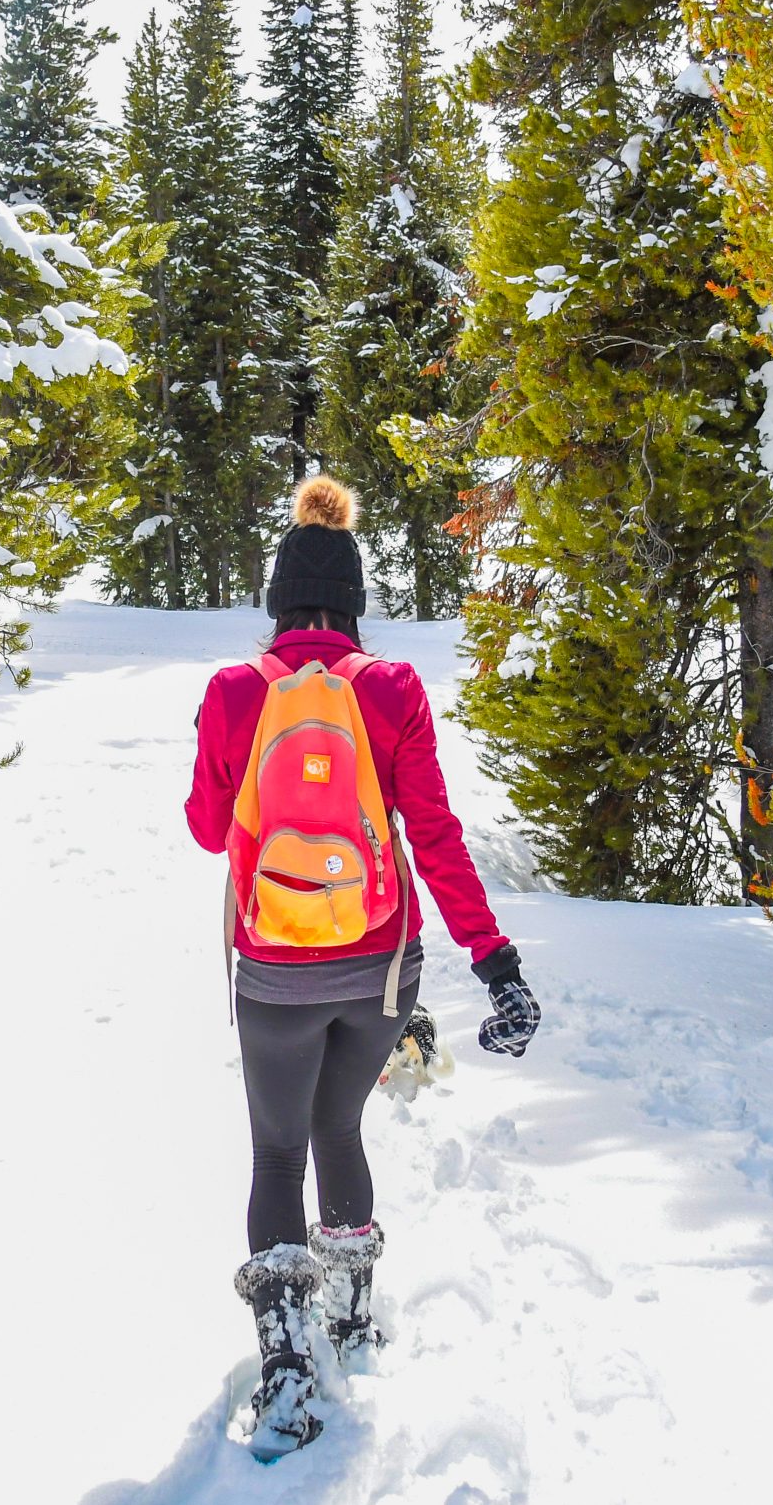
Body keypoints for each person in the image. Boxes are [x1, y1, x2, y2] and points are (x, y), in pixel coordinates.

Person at [184, 475, 542, 1457]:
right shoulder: (389, 690)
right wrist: (495, 962)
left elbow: (208, 829)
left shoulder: (234, 691)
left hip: (274, 973)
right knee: (338, 1124)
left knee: (273, 1152)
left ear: (276, 602)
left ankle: (288, 1358)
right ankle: (347, 1314)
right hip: (382, 969)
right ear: (351, 601)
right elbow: (431, 834)